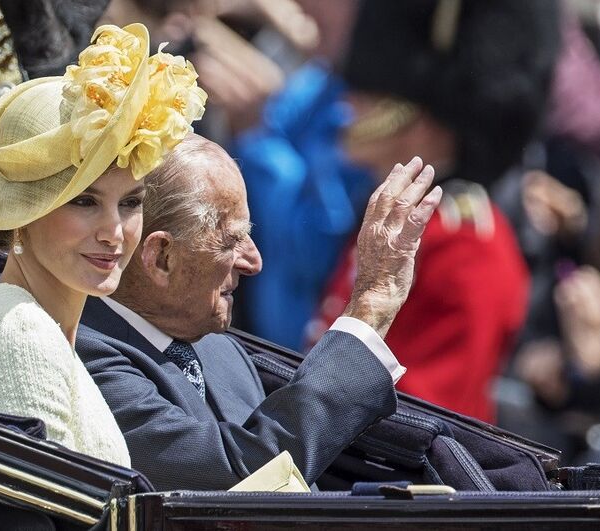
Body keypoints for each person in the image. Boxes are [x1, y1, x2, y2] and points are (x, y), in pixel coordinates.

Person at [78, 133, 441, 490]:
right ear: (161, 257)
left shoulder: (218, 349)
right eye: (232, 240)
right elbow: (244, 481)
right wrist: (371, 306)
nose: (253, 261)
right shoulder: (84, 357)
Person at [0, 23, 207, 466]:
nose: (114, 231)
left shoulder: (43, 328)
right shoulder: (18, 333)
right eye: (84, 201)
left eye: (130, 202)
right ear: (24, 213)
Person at [305, 0, 561, 422]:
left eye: (374, 94)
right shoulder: (392, 218)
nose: (352, 102)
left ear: (418, 115)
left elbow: (433, 413)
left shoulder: (469, 240)